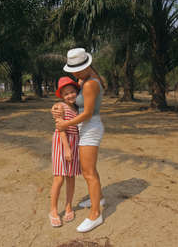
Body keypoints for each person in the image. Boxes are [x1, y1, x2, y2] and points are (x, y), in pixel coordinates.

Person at [53, 48, 105, 233]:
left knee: (88, 172)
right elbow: (74, 102)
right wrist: (58, 107)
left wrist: (65, 124)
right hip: (85, 127)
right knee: (90, 170)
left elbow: (87, 113)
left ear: (86, 66)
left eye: (76, 70)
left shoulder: (91, 84)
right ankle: (98, 198)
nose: (73, 74)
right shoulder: (84, 80)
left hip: (91, 127)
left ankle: (95, 214)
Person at [49, 76, 81, 227]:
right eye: (66, 93)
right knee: (59, 178)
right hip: (62, 143)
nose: (70, 95)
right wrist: (67, 148)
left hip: (75, 143)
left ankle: (69, 205)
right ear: (62, 96)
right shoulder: (60, 106)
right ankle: (53, 210)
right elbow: (61, 128)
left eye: (72, 92)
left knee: (71, 177)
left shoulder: (78, 108)